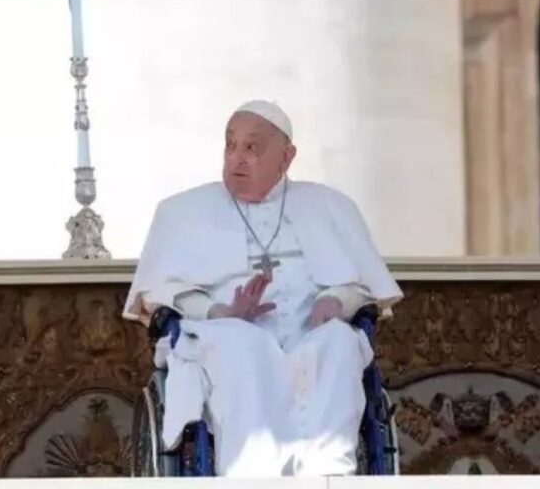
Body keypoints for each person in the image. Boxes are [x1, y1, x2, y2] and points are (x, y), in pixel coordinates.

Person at [124, 99, 402, 477]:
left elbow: (364, 288)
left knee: (339, 343)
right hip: (225, 338)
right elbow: (159, 296)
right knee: (243, 343)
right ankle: (251, 475)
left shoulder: (330, 206)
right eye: (230, 145)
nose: (236, 158)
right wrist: (219, 313)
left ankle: (330, 476)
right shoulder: (182, 212)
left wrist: (336, 299)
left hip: (310, 338)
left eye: (251, 147)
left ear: (286, 158)